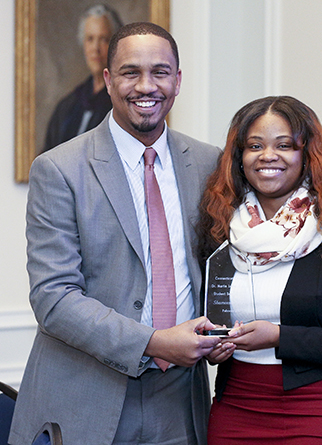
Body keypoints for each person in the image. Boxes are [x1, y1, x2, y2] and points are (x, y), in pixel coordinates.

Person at [9, 22, 222, 444]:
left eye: (160, 72)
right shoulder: (60, 169)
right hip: (86, 394)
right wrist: (155, 342)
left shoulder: (208, 162)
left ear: (178, 81)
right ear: (108, 80)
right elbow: (53, 298)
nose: (147, 86)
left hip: (180, 401)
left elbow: (245, 248)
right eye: (130, 72)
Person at [198, 96, 322, 444]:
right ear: (239, 158)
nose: (268, 155)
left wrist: (278, 336)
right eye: (254, 145)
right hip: (235, 409)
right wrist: (210, 347)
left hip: (319, 410)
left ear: (307, 155)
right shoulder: (220, 229)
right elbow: (207, 317)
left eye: (284, 145)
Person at [42, 4, 123, 152]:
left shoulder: (123, 105)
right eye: (90, 39)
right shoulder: (67, 106)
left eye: (104, 39)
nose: (96, 48)